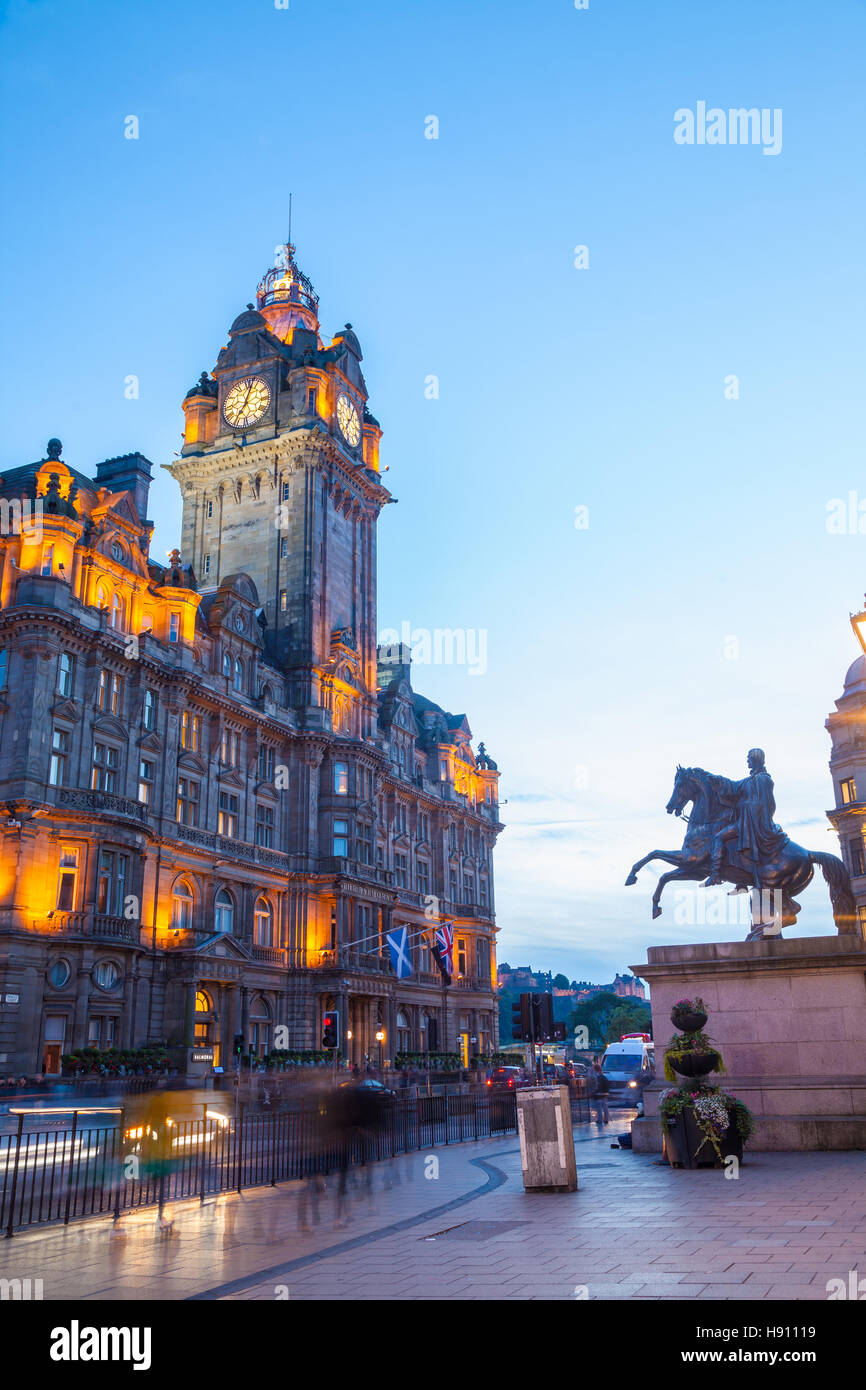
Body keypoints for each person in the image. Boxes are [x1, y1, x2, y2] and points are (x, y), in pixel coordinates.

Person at [591, 1060, 610, 1125]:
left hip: (598, 1094)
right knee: (605, 1107)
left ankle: (600, 1120)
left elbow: (595, 1085)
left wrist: (594, 1092)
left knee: (599, 1108)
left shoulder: (596, 1076)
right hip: (604, 1093)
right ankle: (606, 1119)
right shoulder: (603, 1076)